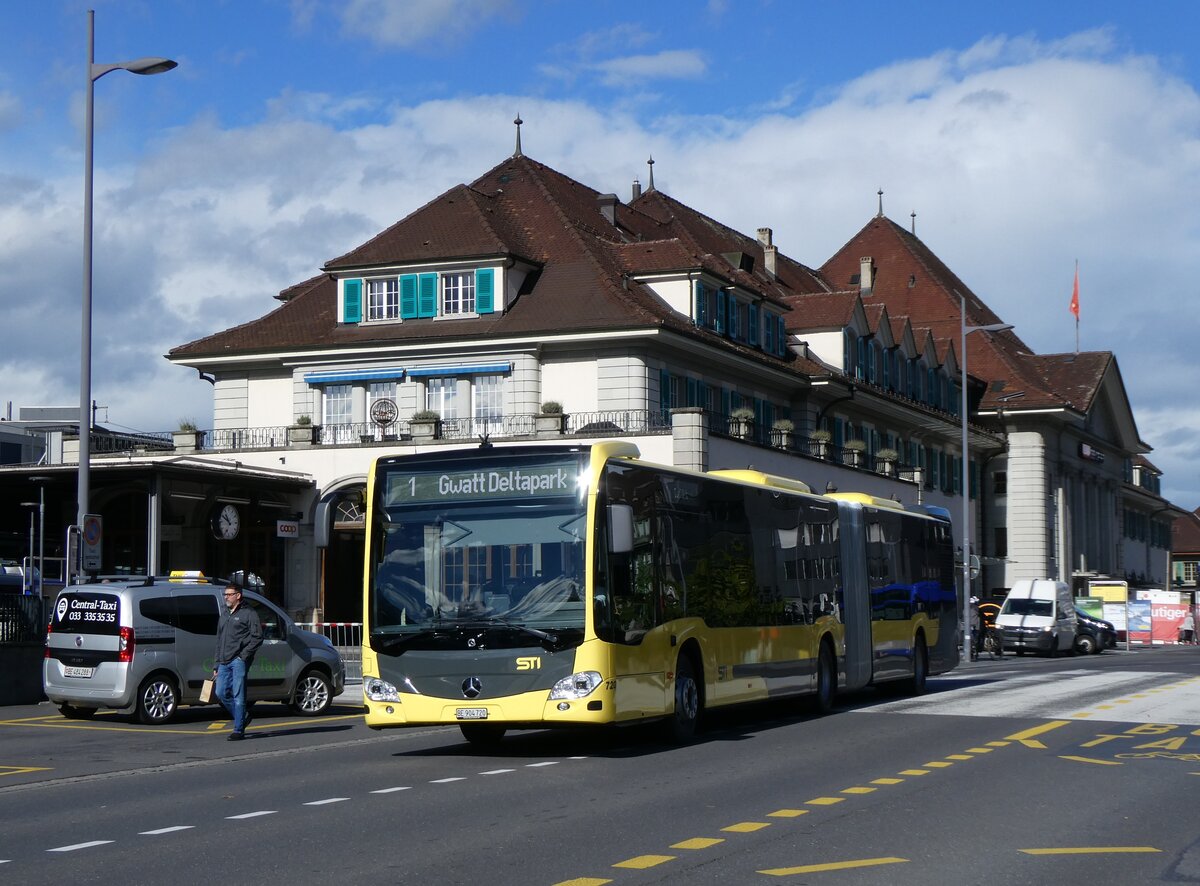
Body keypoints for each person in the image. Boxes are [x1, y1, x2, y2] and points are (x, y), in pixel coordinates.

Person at [213, 583, 262, 741]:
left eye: (229, 594)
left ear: (238, 595)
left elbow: (257, 637)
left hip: (239, 660)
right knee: (220, 692)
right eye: (225, 594)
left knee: (238, 695)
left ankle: (238, 729)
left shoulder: (249, 613)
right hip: (224, 660)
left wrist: (243, 655)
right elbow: (219, 640)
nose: (226, 597)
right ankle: (243, 716)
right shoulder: (225, 613)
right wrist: (216, 663)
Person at [969, 596, 981, 661]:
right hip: (975, 626)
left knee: (971, 640)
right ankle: (974, 653)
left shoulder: (966, 609)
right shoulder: (976, 608)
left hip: (969, 626)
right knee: (975, 640)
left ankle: (971, 653)